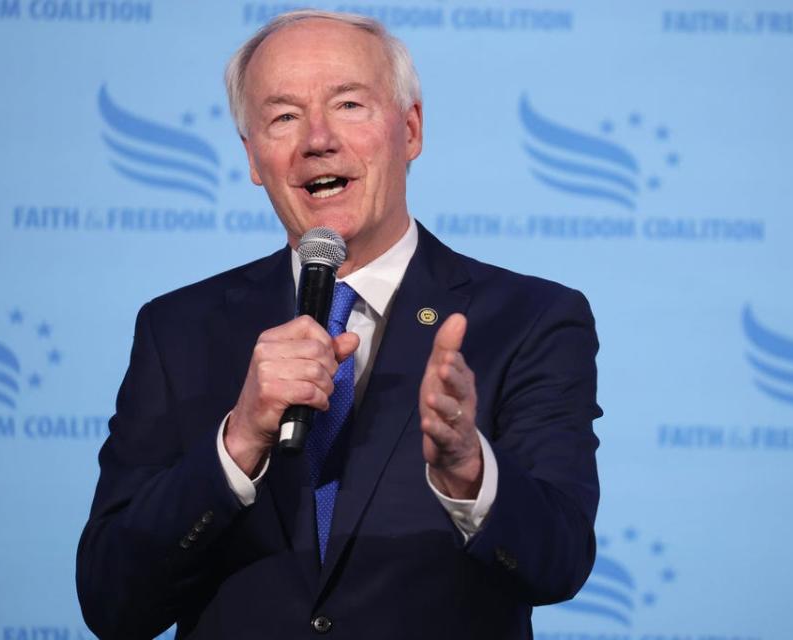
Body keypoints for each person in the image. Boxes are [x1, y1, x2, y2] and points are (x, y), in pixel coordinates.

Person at [77, 9, 601, 639]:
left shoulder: (528, 319)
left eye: (349, 104)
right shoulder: (177, 329)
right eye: (283, 117)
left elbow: (559, 564)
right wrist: (237, 442)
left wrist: (470, 470)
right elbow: (112, 602)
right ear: (252, 158)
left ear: (410, 130)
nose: (317, 139)